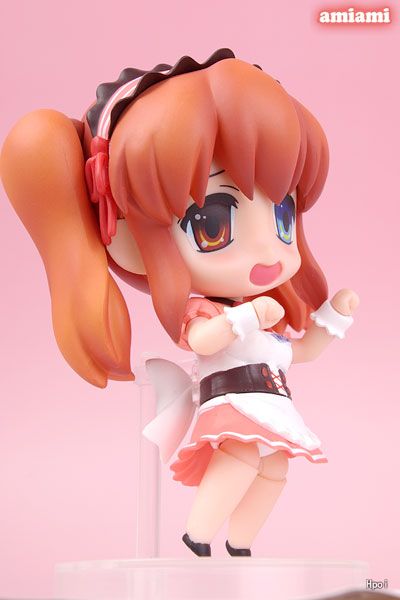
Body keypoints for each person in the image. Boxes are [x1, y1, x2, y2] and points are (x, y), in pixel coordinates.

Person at [0, 48, 359, 557]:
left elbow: (301, 352)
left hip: (270, 402)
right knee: (241, 457)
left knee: (275, 467)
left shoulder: (268, 321)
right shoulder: (208, 311)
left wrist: (334, 316)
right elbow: (203, 341)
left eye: (283, 216)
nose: (268, 251)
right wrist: (244, 317)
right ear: (129, 235)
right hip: (232, 402)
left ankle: (240, 546)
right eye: (212, 224)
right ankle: (197, 534)